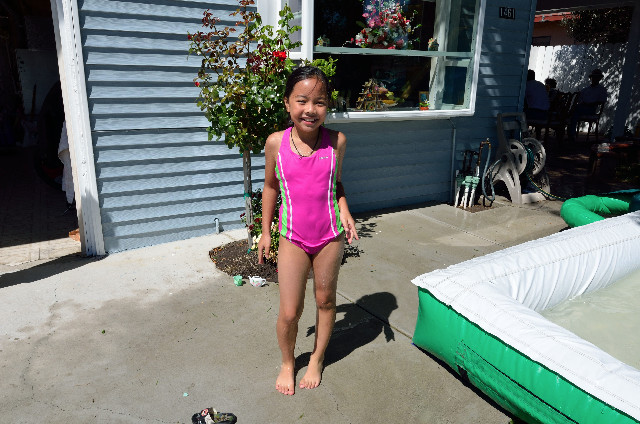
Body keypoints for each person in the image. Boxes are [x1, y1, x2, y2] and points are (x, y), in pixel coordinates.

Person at [257, 66, 359, 396]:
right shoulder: (276, 143)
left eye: (320, 102)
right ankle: (288, 362)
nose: (310, 110)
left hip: (330, 236)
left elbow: (336, 184)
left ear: (328, 106)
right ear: (287, 103)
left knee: (326, 300)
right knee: (290, 312)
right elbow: (270, 187)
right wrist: (265, 231)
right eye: (302, 101)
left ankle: (316, 358)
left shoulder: (337, 142)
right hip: (292, 237)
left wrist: (344, 209)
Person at [567, 68, 608, 141]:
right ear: (591, 78)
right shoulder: (586, 89)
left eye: (596, 77)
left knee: (573, 112)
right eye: (593, 77)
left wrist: (590, 103)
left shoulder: (602, 89)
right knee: (574, 112)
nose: (594, 79)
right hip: (581, 107)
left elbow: (602, 101)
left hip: (591, 109)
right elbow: (579, 99)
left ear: (599, 79)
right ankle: (571, 134)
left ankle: (571, 134)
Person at [524, 70, 550, 139]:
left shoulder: (526, 85)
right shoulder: (541, 85)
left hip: (534, 114)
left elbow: (523, 100)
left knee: (520, 116)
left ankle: (524, 137)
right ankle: (538, 137)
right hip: (545, 115)